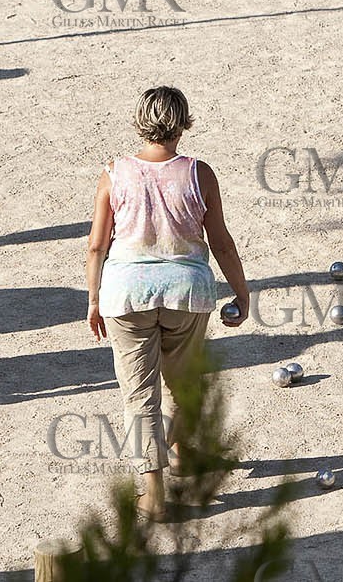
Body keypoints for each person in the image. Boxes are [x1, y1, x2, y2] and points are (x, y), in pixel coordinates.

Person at [85, 87, 250, 522]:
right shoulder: (199, 173)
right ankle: (179, 453)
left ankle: (154, 492)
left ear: (140, 122)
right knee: (183, 383)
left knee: (140, 395)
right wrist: (241, 292)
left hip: (125, 294)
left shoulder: (113, 172)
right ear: (183, 124)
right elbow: (221, 242)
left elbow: (97, 245)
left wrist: (94, 299)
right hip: (186, 293)